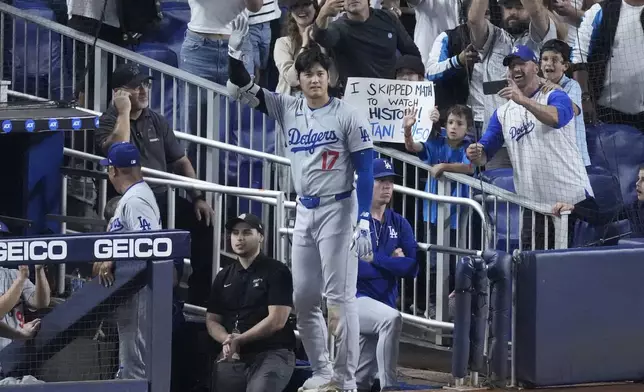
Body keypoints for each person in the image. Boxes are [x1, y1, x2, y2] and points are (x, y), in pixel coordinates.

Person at [226, 13, 375, 392]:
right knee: (304, 298)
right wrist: (234, 51)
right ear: (300, 77)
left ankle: (345, 380)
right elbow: (245, 86)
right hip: (305, 209)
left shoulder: (346, 115)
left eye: (319, 72)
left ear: (330, 76)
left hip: (339, 209)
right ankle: (323, 371)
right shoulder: (288, 107)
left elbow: (367, 171)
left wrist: (363, 220)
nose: (313, 79)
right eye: (306, 73)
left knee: (340, 300)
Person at [95, 63, 216, 306]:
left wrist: (198, 196)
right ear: (119, 93)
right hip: (125, 199)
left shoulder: (157, 119)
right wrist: (123, 112)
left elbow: (181, 161)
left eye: (146, 85)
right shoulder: (108, 121)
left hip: (162, 197)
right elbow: (118, 149)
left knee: (204, 224)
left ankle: (201, 299)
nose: (143, 91)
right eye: (136, 86)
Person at [466, 45, 592, 249]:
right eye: (512, 65)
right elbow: (484, 154)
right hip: (534, 207)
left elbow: (558, 118)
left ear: (536, 68)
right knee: (535, 274)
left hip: (572, 201)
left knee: (569, 272)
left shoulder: (556, 96)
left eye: (521, 63)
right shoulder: (502, 113)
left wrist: (523, 100)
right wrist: (475, 152)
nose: (516, 69)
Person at [93, 141, 163, 379]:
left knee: (134, 364)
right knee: (130, 361)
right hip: (131, 287)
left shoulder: (135, 201)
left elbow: (148, 246)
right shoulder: (135, 196)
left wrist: (113, 257)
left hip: (138, 287)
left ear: (113, 170)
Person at [206, 213, 296, 392]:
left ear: (260, 236)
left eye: (247, 233)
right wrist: (227, 339)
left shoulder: (277, 271)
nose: (239, 238)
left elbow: (277, 320)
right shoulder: (223, 275)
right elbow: (212, 319)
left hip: (272, 352)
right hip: (234, 353)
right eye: (235, 233)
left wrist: (239, 339)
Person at [467, 0, 557, 169]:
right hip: (498, 141)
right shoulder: (492, 37)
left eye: (519, 7)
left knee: (537, 192)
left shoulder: (541, 36)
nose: (513, 12)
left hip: (536, 138)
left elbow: (537, 12)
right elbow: (473, 20)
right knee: (500, 193)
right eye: (508, 7)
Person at [355, 159, 418, 392]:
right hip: (355, 299)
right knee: (391, 319)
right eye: (381, 180)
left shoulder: (399, 223)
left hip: (384, 302)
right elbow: (354, 269)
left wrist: (377, 259)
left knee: (360, 379)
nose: (387, 186)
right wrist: (393, 261)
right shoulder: (354, 219)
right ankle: (389, 387)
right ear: (367, 183)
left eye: (390, 181)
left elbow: (412, 268)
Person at [311, 0, 420, 88]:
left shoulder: (388, 18)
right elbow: (321, 37)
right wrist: (323, 14)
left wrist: (408, 77)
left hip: (391, 95)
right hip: (357, 99)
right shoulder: (337, 28)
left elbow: (412, 53)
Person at [539, 38, 590, 167]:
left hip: (575, 158)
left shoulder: (572, 85)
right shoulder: (539, 88)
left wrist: (559, 90)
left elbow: (574, 110)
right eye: (545, 59)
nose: (548, 64)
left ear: (565, 66)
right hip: (552, 155)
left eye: (554, 60)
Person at [274, 0, 338, 97]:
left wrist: (320, 43)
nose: (301, 10)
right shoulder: (283, 43)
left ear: (315, 8)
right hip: (293, 102)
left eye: (306, 4)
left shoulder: (329, 39)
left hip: (323, 101)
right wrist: (304, 45)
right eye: (295, 6)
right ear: (291, 12)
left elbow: (333, 81)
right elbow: (292, 80)